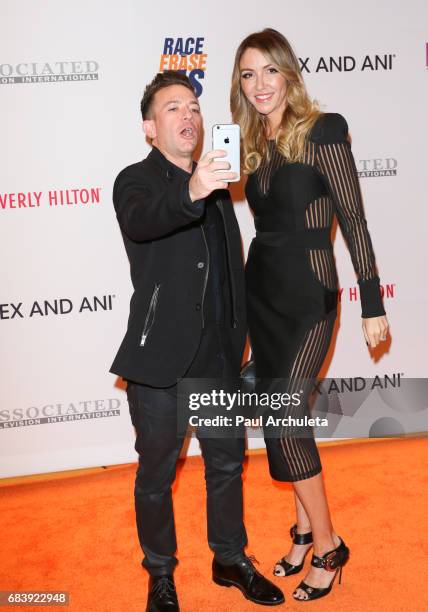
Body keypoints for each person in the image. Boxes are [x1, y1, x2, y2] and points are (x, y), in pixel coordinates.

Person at [110, 71, 284, 611]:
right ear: (149, 127)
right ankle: (160, 573)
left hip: (217, 359)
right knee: (156, 476)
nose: (187, 116)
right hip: (160, 362)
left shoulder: (217, 189)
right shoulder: (135, 182)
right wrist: (192, 188)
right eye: (172, 109)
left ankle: (229, 558)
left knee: (227, 464)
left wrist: (241, 342)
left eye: (193, 107)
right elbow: (146, 221)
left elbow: (230, 273)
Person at [230, 29, 389, 602]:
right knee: (278, 418)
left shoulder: (324, 130)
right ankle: (301, 529)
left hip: (309, 298)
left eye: (268, 71)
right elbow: (223, 207)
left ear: (288, 73)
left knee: (288, 419)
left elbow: (355, 218)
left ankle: (328, 546)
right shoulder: (250, 143)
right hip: (262, 296)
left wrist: (372, 302)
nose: (260, 85)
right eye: (247, 75)